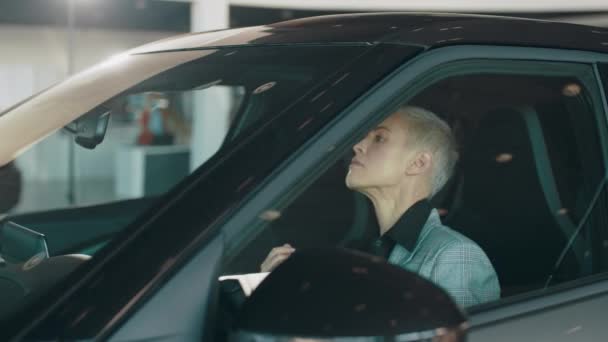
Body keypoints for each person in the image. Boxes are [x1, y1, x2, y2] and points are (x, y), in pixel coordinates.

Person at [260, 106, 500, 308]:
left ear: (418, 163)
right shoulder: (359, 254)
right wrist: (277, 288)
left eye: (379, 138)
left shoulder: (455, 257)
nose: (358, 145)